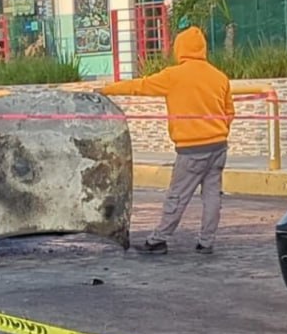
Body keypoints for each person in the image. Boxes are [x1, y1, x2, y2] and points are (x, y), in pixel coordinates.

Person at [100, 26, 233, 255]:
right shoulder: (219, 77)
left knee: (177, 195)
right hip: (219, 147)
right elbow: (229, 112)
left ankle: (159, 240)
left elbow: (139, 86)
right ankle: (206, 242)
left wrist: (107, 90)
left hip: (191, 150)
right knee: (212, 195)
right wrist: (219, 131)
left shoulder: (174, 76)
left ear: (180, 49)